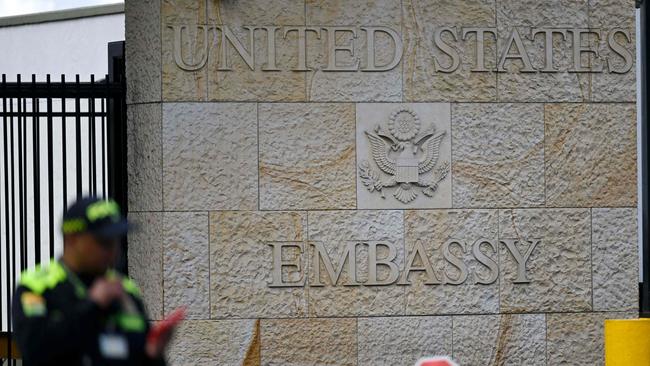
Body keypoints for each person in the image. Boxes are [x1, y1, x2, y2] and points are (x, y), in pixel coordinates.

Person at [12, 197, 174, 365]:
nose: (113, 251)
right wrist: (93, 306)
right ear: (72, 239)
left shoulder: (125, 290)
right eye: (103, 242)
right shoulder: (37, 287)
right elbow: (36, 350)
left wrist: (153, 354)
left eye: (116, 241)